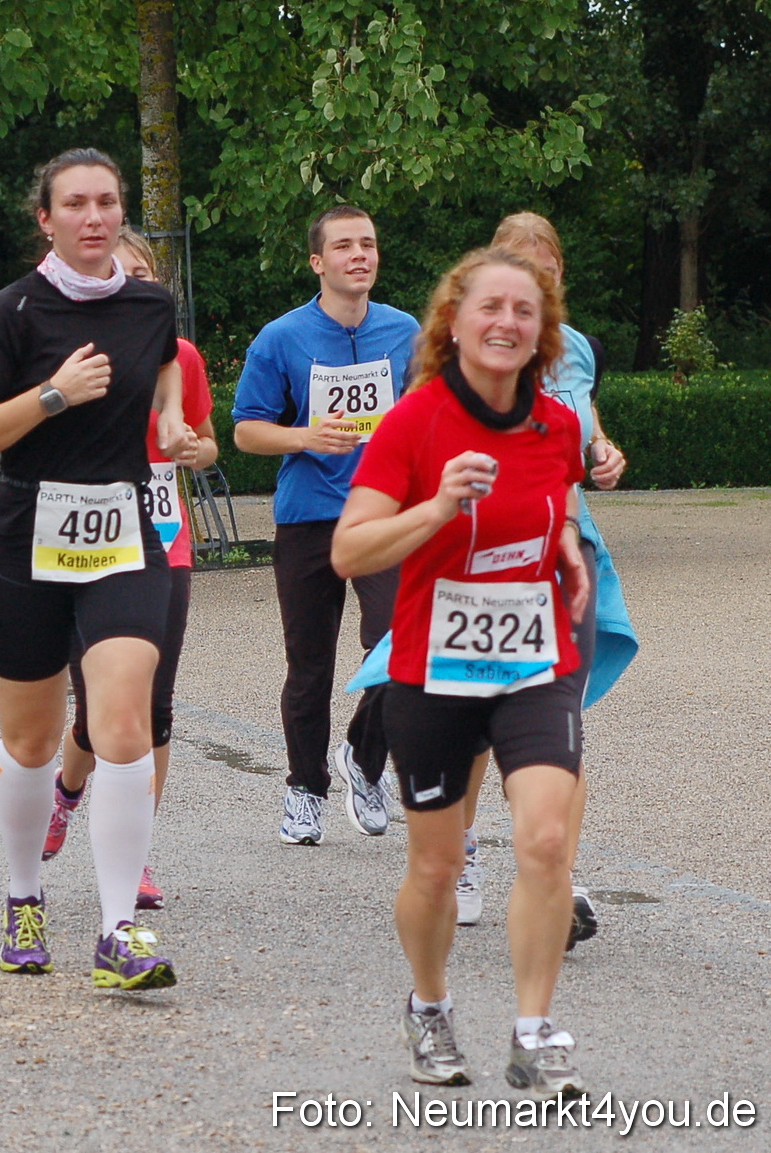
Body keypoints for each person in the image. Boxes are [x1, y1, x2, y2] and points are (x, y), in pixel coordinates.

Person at [332, 245, 591, 1099]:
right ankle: (431, 1005)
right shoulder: (415, 423)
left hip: (533, 657)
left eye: (526, 310)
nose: (507, 323)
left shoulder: (557, 425)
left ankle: (534, 1031)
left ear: (543, 330)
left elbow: (552, 507)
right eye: (492, 307)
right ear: (454, 320)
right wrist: (439, 505)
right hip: (432, 666)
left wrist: (567, 547)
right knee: (437, 867)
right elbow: (350, 549)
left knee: (547, 839)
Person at [0, 148, 191, 992]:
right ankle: (24, 895)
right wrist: (52, 395)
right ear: (45, 219)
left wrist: (181, 431)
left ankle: (120, 928)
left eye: (107, 203)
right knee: (32, 740)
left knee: (123, 719)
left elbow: (167, 397)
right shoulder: (12, 311)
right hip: (22, 539)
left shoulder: (154, 305)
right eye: (75, 204)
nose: (94, 217)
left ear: (123, 214)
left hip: (122, 535)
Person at [450, 214, 638, 937]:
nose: (537, 288)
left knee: (560, 718)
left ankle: (554, 876)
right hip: (484, 551)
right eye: (522, 275)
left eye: (549, 273)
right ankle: (460, 851)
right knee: (475, 721)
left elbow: (584, 425)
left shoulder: (580, 350)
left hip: (567, 550)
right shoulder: (461, 349)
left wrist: (606, 452)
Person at [231, 204, 419, 845]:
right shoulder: (281, 338)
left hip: (384, 516)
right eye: (344, 246)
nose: (359, 255)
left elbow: (427, 414)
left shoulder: (404, 332)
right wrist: (305, 436)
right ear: (318, 262)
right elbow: (245, 430)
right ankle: (304, 789)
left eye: (368, 244)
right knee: (308, 665)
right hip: (309, 519)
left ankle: (365, 762)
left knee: (399, 647)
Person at [42, 227, 217, 911]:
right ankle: (67, 789)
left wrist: (189, 448)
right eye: (124, 273)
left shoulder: (183, 356)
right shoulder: (72, 354)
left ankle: (136, 852)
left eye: (146, 275)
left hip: (163, 540)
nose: (137, 285)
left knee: (155, 706)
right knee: (100, 706)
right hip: (85, 542)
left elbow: (204, 445)